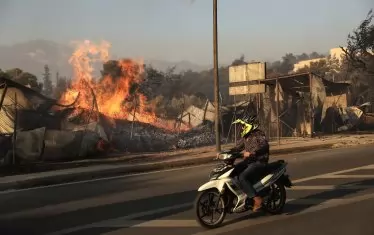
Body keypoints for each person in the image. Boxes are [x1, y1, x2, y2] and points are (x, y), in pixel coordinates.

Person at [224, 114, 269, 212]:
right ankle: (241, 197)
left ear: (250, 125)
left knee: (242, 177)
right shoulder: (246, 136)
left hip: (259, 161)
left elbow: (264, 147)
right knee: (232, 173)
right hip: (248, 162)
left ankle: (256, 198)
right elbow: (237, 148)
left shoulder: (259, 134)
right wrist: (225, 153)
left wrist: (253, 153)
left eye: (244, 125)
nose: (242, 128)